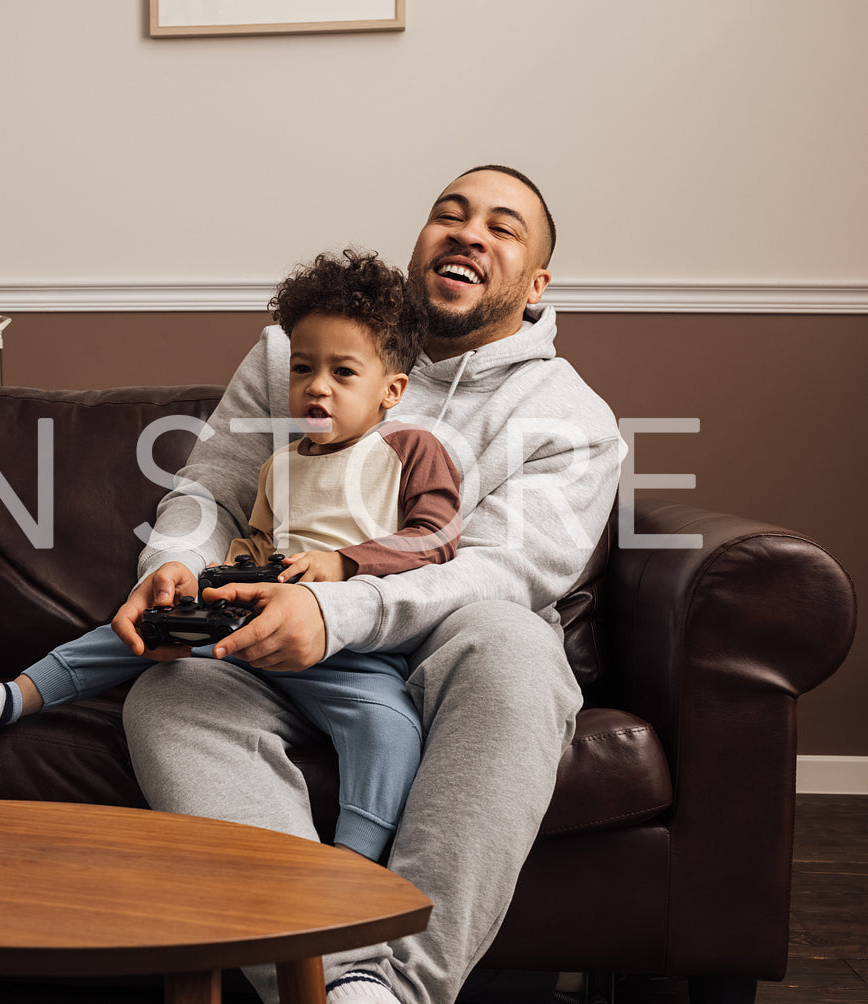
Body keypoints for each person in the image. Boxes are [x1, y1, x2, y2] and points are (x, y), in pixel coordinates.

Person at [112, 166, 624, 1004]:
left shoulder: (571, 418)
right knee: (168, 694)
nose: (466, 233)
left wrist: (335, 607)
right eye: (447, 215)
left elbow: (503, 570)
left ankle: (401, 992)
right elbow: (210, 490)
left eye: (501, 227)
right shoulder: (298, 348)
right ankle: (329, 984)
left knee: (518, 646)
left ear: (535, 284)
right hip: (273, 634)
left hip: (435, 651)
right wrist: (169, 566)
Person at [0, 249, 461, 863]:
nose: (316, 387)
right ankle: (6, 700)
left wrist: (344, 563)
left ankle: (354, 865)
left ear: (391, 390)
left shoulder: (410, 449)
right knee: (131, 632)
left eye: (343, 373)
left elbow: (436, 537)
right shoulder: (281, 464)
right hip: (252, 627)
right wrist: (216, 579)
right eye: (302, 368)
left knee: (390, 730)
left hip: (351, 651)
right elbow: (259, 544)